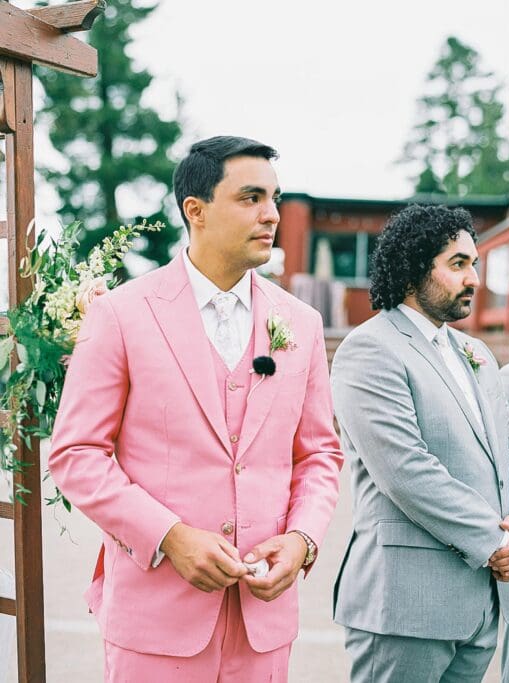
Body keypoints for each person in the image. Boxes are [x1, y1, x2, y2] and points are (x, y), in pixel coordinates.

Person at [48, 136, 344, 679]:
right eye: (251, 197)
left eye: (274, 198)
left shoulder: (300, 323)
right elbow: (76, 453)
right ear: (196, 211)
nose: (271, 214)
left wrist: (302, 541)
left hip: (263, 625)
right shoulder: (121, 314)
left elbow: (321, 454)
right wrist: (169, 536)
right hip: (156, 620)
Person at [331, 204, 509, 682]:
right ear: (415, 268)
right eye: (457, 264)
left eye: (474, 263)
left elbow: (500, 457)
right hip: (406, 605)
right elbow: (405, 470)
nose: (473, 278)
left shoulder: (473, 352)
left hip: (478, 603)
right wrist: (496, 540)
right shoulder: (369, 349)